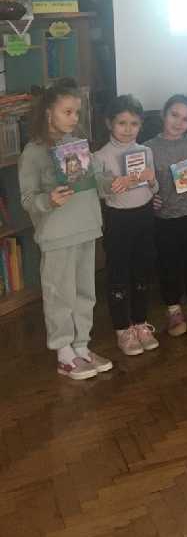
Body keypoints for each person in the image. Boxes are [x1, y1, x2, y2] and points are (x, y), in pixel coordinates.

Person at [18, 78, 112, 380]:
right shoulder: (33, 152)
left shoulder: (78, 146)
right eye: (67, 112)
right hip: (57, 235)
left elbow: (96, 181)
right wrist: (49, 200)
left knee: (85, 292)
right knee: (60, 294)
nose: (74, 118)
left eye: (77, 112)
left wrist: (114, 184)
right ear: (49, 112)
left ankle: (81, 346)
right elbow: (28, 199)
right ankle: (63, 353)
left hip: (86, 226)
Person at [93, 95, 160, 356]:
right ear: (109, 123)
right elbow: (100, 192)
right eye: (122, 123)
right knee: (118, 274)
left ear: (141, 125)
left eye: (134, 123)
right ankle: (122, 328)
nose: (128, 129)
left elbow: (154, 188)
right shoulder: (100, 156)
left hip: (144, 216)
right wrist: (113, 184)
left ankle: (141, 322)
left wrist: (151, 179)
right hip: (118, 219)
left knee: (142, 271)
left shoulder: (146, 152)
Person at [146, 94, 187, 339]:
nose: (178, 122)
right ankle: (173, 309)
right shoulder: (148, 149)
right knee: (168, 266)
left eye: (186, 119)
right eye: (174, 115)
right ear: (163, 114)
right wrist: (149, 198)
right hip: (164, 219)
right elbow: (142, 184)